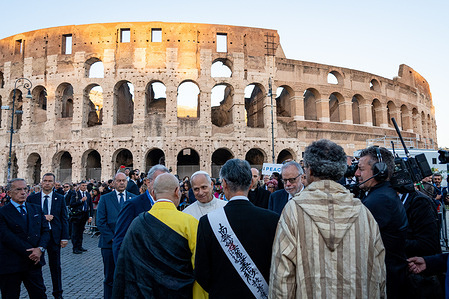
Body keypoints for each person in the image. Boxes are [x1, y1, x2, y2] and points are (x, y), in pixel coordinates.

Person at [269, 139, 386, 298]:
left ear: (309, 171)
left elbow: (282, 276)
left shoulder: (293, 211)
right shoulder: (363, 213)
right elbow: (379, 275)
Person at [195, 159, 280, 298]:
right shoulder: (272, 219)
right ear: (251, 183)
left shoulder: (207, 222)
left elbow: (201, 272)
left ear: (224, 184)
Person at [113, 173, 207, 298]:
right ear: (177, 191)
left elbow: (124, 266)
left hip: (145, 293)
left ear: (152, 193)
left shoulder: (137, 223)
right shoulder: (190, 223)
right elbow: (201, 269)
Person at [355, 146, 409, 298]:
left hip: (387, 282)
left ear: (380, 171)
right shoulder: (383, 194)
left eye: (361, 169)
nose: (357, 173)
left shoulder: (379, 200)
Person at [0, 178, 50, 299]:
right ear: (9, 193)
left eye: (25, 189)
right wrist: (31, 251)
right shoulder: (3, 212)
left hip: (34, 263)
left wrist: (40, 249)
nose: (23, 192)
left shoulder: (36, 208)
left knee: (39, 295)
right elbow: (7, 237)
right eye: (18, 189)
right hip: (11, 264)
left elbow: (45, 231)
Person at [112, 164, 169, 262]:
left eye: (166, 181)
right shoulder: (132, 204)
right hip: (138, 265)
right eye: (159, 180)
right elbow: (120, 240)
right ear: (148, 182)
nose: (163, 185)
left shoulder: (170, 205)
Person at [27, 173, 69, 299]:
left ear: (54, 183)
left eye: (50, 181)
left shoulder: (60, 198)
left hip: (54, 236)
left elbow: (64, 218)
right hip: (38, 237)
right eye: (45, 181)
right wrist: (43, 217)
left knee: (55, 266)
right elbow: (29, 217)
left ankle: (58, 293)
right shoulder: (32, 198)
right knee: (36, 265)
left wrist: (64, 237)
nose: (47, 183)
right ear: (41, 182)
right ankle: (39, 291)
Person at [96, 172, 136, 299]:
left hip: (129, 244)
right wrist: (114, 238)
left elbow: (137, 220)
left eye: (123, 180)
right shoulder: (105, 198)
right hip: (109, 244)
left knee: (129, 276)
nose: (121, 183)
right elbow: (100, 222)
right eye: (118, 181)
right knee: (110, 277)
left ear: (127, 182)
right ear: (113, 183)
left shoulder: (134, 198)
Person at [69, 180, 93, 254]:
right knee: (75, 232)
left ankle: (80, 246)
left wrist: (90, 216)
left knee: (80, 232)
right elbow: (71, 204)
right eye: (82, 185)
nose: (84, 187)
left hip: (84, 215)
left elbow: (90, 206)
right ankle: (75, 247)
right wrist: (80, 201)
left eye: (85, 185)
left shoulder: (88, 195)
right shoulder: (75, 193)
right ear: (79, 186)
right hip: (76, 215)